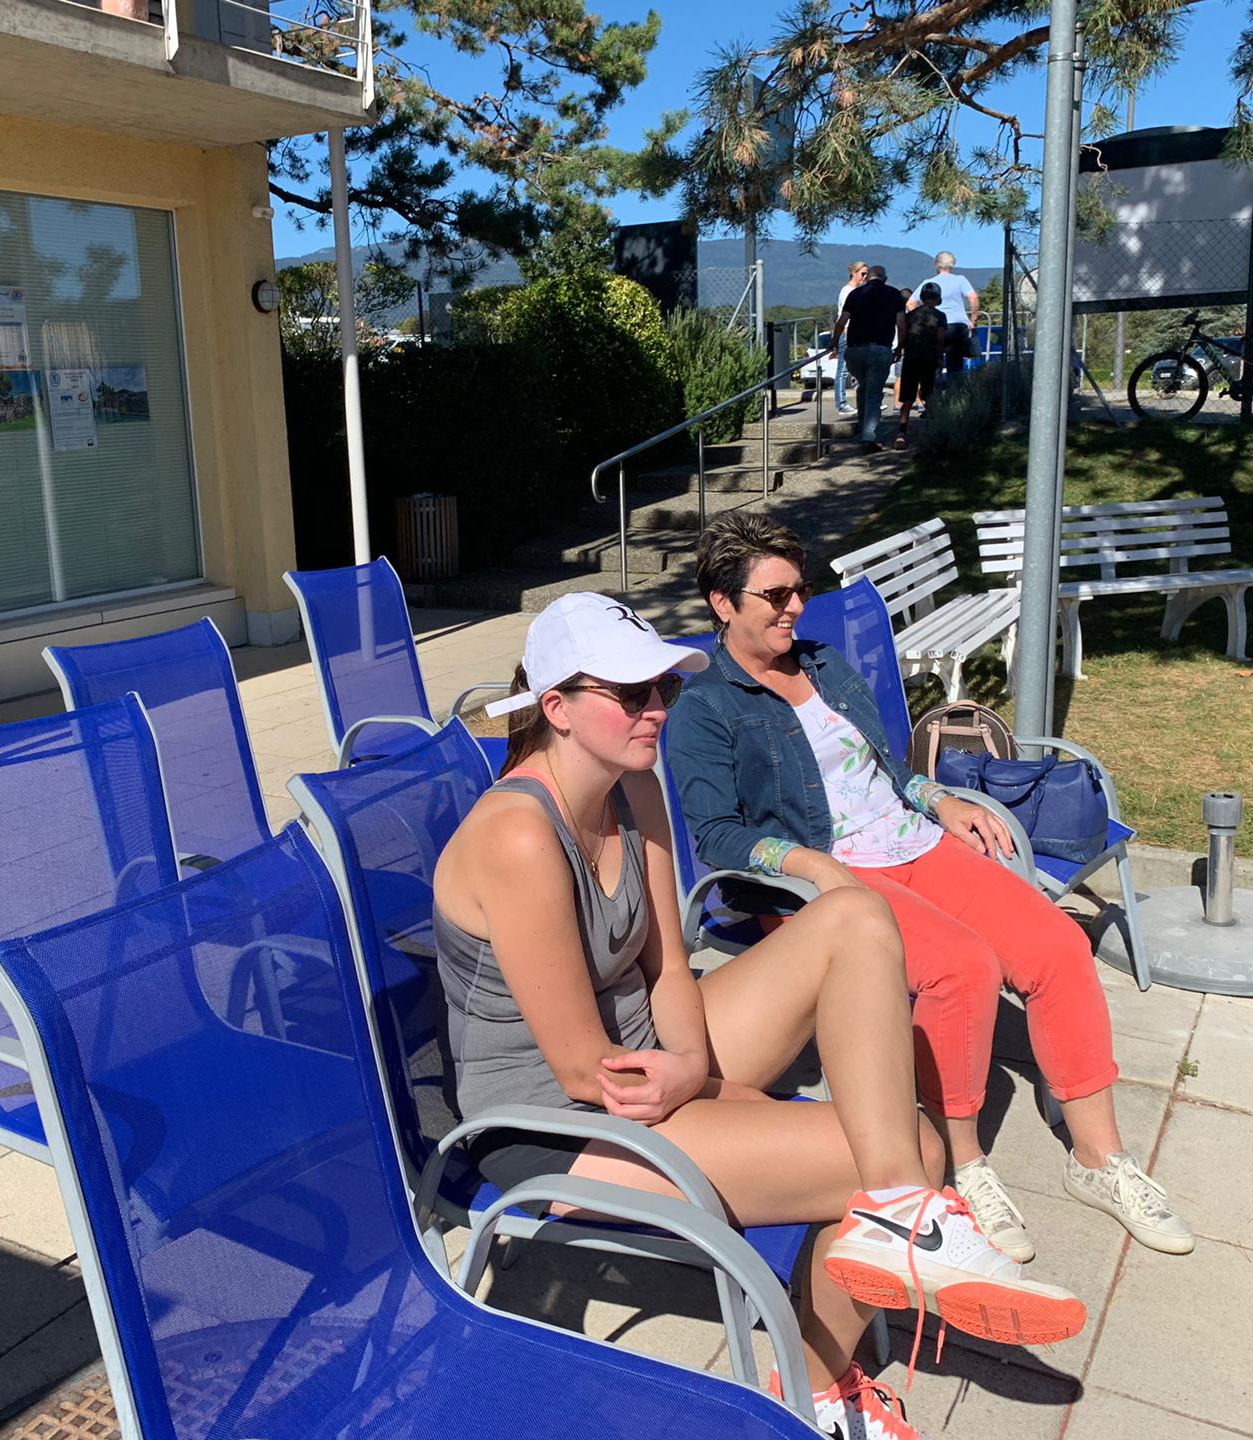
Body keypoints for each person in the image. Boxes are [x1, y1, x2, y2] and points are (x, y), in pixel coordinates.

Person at [435, 593, 1087, 1440]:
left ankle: (895, 1222)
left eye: (664, 688)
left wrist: (692, 1067)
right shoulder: (519, 836)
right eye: (630, 694)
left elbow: (670, 967)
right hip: (556, 1119)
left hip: (647, 1059)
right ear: (556, 707)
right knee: (915, 1150)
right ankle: (818, 1386)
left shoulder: (633, 786)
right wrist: (709, 1092)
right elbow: (581, 1070)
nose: (656, 710)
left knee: (854, 917)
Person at [663, 516, 1197, 1269]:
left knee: (1055, 946)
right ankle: (962, 1163)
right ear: (723, 602)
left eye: (800, 589)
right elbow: (718, 835)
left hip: (912, 842)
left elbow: (883, 769)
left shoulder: (823, 665)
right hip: (828, 881)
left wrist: (938, 798)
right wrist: (810, 864)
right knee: (960, 968)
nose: (795, 607)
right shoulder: (706, 709)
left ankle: (1099, 1159)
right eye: (775, 595)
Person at [830, 264, 905, 452]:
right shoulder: (893, 294)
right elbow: (901, 324)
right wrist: (900, 347)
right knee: (873, 393)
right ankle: (868, 437)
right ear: (884, 278)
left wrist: (835, 342)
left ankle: (862, 429)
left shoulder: (855, 294)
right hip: (880, 349)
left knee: (863, 387)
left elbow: (841, 322)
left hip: (855, 350)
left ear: (867, 277)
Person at [892, 284, 948, 449]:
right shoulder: (940, 316)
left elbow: (903, 334)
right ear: (937, 298)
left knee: (908, 398)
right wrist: (940, 357)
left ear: (922, 298)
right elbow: (940, 338)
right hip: (930, 358)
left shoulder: (910, 315)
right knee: (930, 395)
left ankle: (901, 432)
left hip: (911, 358)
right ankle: (934, 432)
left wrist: (900, 348)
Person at [909, 252, 979, 377]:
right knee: (955, 364)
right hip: (957, 326)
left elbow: (910, 303)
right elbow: (973, 298)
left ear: (937, 264)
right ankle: (954, 387)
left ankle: (934, 387)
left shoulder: (929, 283)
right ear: (953, 264)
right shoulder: (960, 280)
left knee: (934, 362)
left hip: (934, 325)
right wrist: (973, 320)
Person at [831, 260, 866, 413]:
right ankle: (841, 403)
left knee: (860, 369)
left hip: (856, 333)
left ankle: (865, 401)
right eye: (862, 274)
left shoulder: (857, 291)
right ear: (854, 273)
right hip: (848, 333)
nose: (864, 277)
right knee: (843, 370)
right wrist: (844, 334)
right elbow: (844, 316)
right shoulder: (847, 291)